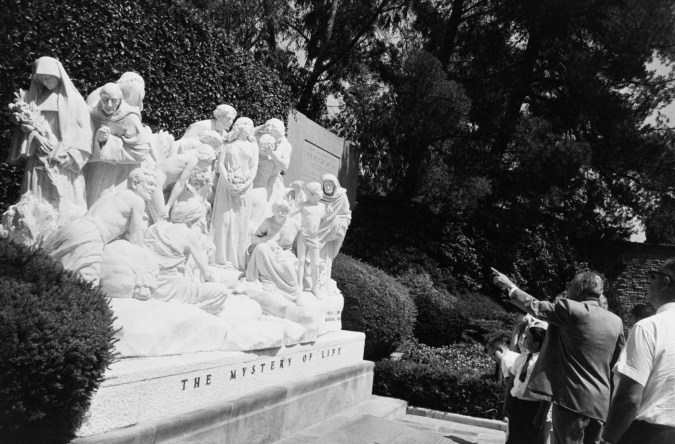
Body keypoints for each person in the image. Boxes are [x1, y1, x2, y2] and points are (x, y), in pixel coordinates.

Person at [492, 268, 625, 444]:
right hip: (601, 404)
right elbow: (617, 363)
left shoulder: (571, 310)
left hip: (571, 402)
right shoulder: (616, 321)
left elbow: (535, 306)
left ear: (578, 289)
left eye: (569, 285)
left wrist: (509, 286)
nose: (567, 289)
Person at [7, 56, 92, 220]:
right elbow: (25, 128)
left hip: (61, 157)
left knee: (63, 204)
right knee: (36, 203)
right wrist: (37, 137)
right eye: (41, 79)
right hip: (38, 155)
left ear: (58, 75)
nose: (45, 82)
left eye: (48, 77)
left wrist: (72, 155)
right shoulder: (34, 99)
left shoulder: (73, 100)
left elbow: (84, 132)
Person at [600, 262, 675, 444]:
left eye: (651, 277)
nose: (648, 283)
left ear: (665, 283)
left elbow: (630, 399)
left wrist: (607, 440)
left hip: (649, 435)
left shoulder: (648, 327)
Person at [44, 168, 157, 284]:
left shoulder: (109, 195)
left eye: (155, 186)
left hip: (74, 226)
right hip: (92, 234)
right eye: (150, 184)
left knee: (49, 272)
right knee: (86, 284)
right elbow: (136, 240)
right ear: (134, 183)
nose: (153, 189)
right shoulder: (137, 201)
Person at [143, 199, 229, 314]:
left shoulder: (155, 228)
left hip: (149, 284)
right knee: (221, 292)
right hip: (171, 288)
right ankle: (190, 311)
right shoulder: (188, 234)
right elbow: (207, 274)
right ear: (193, 218)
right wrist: (216, 282)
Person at [85, 83, 151, 206]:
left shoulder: (130, 117)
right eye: (105, 100)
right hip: (96, 168)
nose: (109, 105)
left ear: (120, 100)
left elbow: (142, 151)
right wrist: (98, 139)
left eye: (114, 101)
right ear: (100, 98)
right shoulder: (92, 112)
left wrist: (109, 141)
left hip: (120, 173)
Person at [211, 117, 259, 270]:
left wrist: (244, 185)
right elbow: (221, 165)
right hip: (226, 186)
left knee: (239, 222)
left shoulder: (253, 146)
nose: (251, 128)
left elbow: (254, 169)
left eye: (252, 126)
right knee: (224, 220)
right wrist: (228, 181)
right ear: (240, 127)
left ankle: (236, 260)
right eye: (249, 125)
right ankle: (220, 258)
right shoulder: (229, 143)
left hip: (245, 187)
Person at [246, 199, 301, 300]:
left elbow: (300, 244)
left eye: (283, 210)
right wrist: (266, 239)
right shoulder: (268, 222)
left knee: (287, 266)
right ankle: (267, 280)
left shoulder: (294, 224)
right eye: (277, 210)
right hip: (269, 251)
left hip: (285, 252)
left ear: (287, 211)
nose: (280, 213)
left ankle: (293, 294)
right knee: (261, 248)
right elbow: (254, 239)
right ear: (274, 211)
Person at [505, 326, 551, 444]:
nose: (523, 339)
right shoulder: (521, 358)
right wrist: (506, 402)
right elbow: (512, 381)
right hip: (516, 403)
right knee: (513, 438)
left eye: (527, 337)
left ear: (536, 344)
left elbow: (548, 390)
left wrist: (541, 414)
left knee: (529, 439)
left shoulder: (544, 362)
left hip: (532, 407)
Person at [148, 143, 216, 222]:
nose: (207, 166)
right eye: (208, 162)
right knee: (160, 221)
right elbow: (180, 184)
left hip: (155, 180)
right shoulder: (193, 160)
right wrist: (168, 206)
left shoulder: (187, 156)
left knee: (160, 220)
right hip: (156, 183)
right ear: (205, 158)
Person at [292, 182, 326, 297]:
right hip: (303, 236)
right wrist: (297, 192)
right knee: (301, 261)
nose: (322, 193)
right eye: (319, 191)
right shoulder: (303, 206)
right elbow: (291, 212)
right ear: (312, 193)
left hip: (314, 238)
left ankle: (315, 287)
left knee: (315, 263)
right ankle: (299, 285)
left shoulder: (322, 207)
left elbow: (324, 222)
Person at [317, 174, 351, 285]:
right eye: (325, 185)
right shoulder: (319, 196)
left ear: (335, 185)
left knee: (326, 257)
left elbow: (347, 214)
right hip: (318, 229)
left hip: (332, 232)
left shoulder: (341, 196)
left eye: (330, 185)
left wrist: (340, 223)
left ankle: (322, 280)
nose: (327, 187)